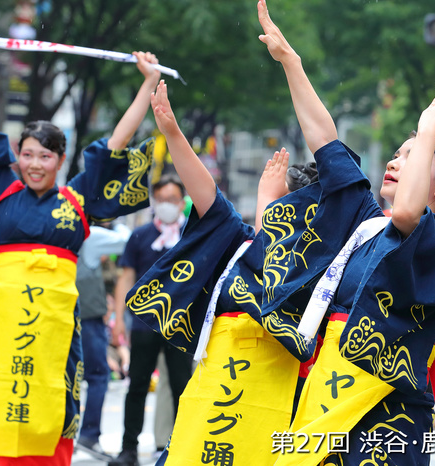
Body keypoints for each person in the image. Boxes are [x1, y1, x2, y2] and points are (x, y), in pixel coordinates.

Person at [256, 2, 435, 463]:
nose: (397, 161)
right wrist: (291, 63)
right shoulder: (364, 222)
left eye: (414, 155)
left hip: (385, 410)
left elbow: (407, 217)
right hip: (329, 387)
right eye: (397, 153)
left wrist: (429, 132)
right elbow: (326, 142)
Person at [0, 33, 160, 465]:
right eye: (27, 155)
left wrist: (148, 83)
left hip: (57, 327)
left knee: (55, 401)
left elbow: (117, 141)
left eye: (45, 156)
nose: (34, 164)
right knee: (3, 395)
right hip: (8, 323)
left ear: (60, 160)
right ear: (17, 157)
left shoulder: (78, 200)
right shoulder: (3, 191)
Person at [126, 77, 322, 464]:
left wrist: (268, 199)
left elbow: (274, 273)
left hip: (278, 394)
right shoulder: (239, 241)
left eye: (289, 207)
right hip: (219, 385)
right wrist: (173, 132)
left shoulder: (320, 261)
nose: (280, 215)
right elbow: (207, 196)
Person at [110, 174, 194, 466]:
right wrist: (119, 318)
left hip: (181, 324)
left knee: (183, 388)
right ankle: (128, 449)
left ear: (182, 202)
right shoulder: (141, 235)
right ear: (154, 202)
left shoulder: (194, 234)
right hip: (144, 322)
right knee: (137, 386)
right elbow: (126, 277)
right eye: (161, 200)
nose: (167, 205)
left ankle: (183, 449)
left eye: (173, 199)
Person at [75, 223, 132, 461]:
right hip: (87, 320)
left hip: (60, 314)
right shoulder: (90, 234)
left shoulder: (52, 230)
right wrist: (114, 225)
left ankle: (61, 434)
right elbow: (128, 239)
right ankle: (88, 435)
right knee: (98, 376)